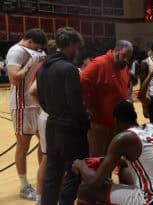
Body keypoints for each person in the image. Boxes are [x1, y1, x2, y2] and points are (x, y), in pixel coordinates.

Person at [72, 100, 153, 205]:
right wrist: (103, 160)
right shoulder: (151, 127)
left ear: (116, 120)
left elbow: (95, 181)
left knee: (85, 189)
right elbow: (142, 157)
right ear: (135, 116)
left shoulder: (123, 138)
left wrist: (80, 165)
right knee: (124, 171)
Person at [36, 27, 89, 205]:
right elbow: (75, 103)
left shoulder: (43, 67)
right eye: (76, 47)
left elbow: (41, 98)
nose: (77, 51)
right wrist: (84, 122)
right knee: (74, 173)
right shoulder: (69, 69)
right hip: (70, 130)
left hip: (51, 126)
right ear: (71, 44)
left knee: (52, 173)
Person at [6, 28, 47, 200]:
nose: (38, 50)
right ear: (29, 41)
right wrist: (30, 63)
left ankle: (42, 179)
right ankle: (24, 186)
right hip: (23, 106)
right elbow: (14, 78)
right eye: (36, 46)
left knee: (45, 144)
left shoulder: (35, 51)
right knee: (23, 146)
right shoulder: (16, 51)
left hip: (37, 103)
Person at [80, 40, 133, 157]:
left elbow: (127, 85)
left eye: (128, 57)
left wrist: (129, 98)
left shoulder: (123, 66)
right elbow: (81, 82)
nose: (126, 60)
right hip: (99, 124)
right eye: (124, 55)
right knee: (96, 159)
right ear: (116, 51)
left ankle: (107, 176)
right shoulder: (98, 64)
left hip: (117, 124)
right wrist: (86, 106)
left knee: (112, 159)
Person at [29, 40, 57, 205]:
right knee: (48, 158)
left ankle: (42, 196)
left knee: (44, 153)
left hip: (44, 114)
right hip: (49, 115)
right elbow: (32, 91)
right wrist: (46, 106)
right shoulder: (48, 67)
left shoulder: (43, 65)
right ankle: (41, 198)